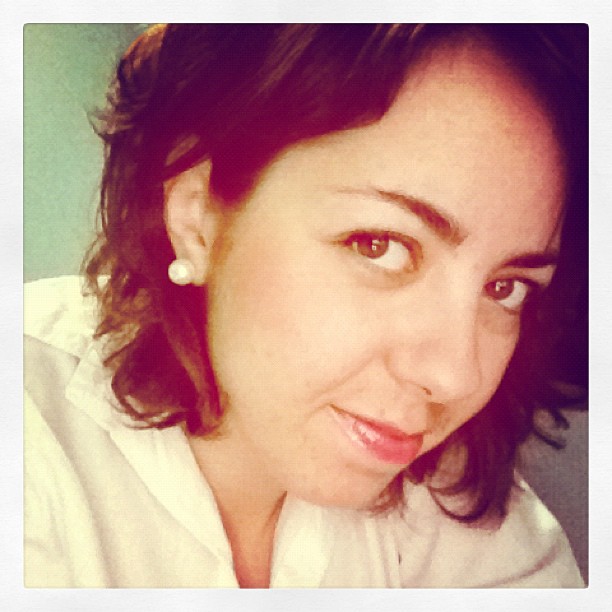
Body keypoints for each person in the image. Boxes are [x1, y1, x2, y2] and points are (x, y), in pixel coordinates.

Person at [24, 24, 588, 588]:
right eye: (379, 245)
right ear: (196, 220)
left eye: (506, 288)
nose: (453, 377)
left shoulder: (450, 493)